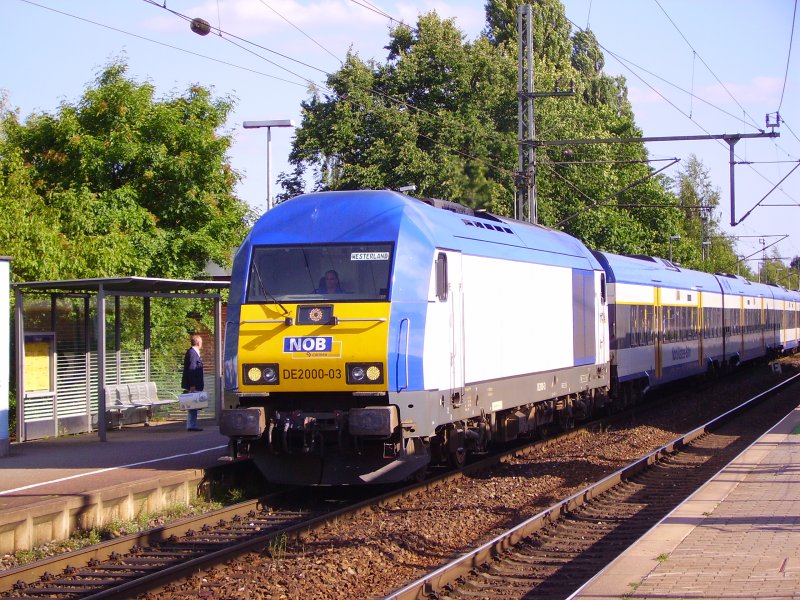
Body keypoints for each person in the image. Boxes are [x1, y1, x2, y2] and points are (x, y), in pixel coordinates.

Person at [181, 334, 204, 432]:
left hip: (194, 383)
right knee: (193, 405)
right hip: (193, 384)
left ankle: (192, 424)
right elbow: (192, 369)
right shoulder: (193, 353)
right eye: (201, 342)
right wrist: (192, 385)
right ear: (198, 343)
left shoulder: (192, 352)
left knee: (194, 405)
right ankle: (191, 425)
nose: (202, 343)